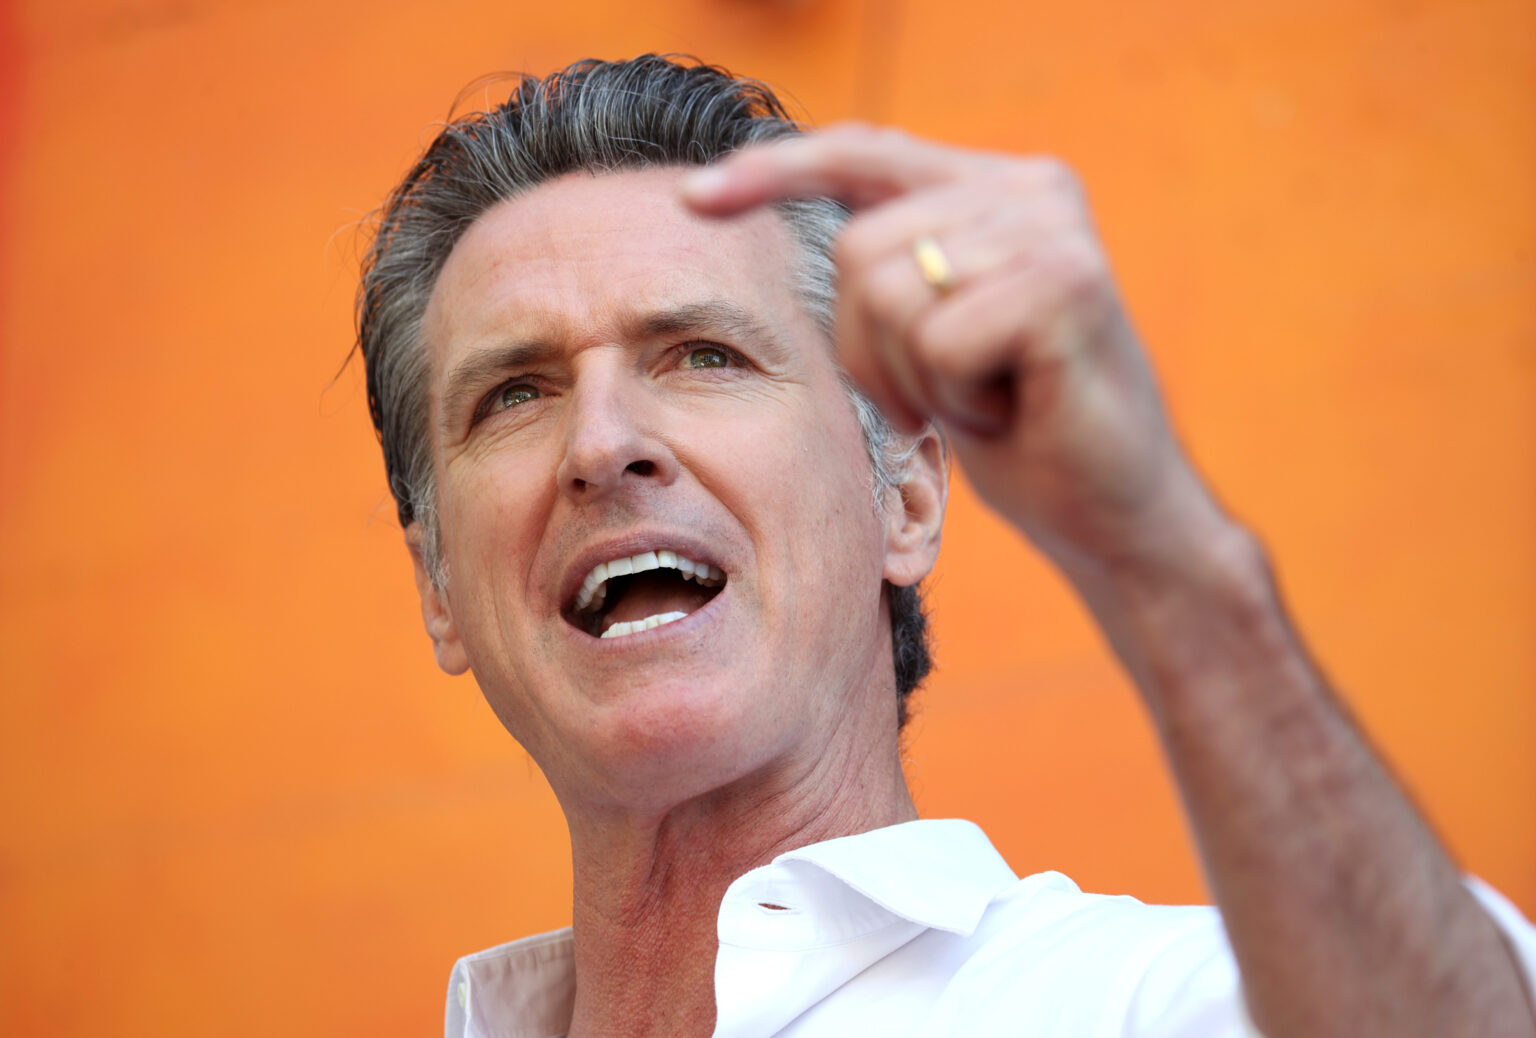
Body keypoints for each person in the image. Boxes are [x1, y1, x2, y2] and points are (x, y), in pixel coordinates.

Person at [355, 55, 1536, 1038]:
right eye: (513, 394)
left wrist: (1160, 551)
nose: (601, 443)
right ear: (441, 588)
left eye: (703, 354)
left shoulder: (1130, 1003)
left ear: (906, 497)